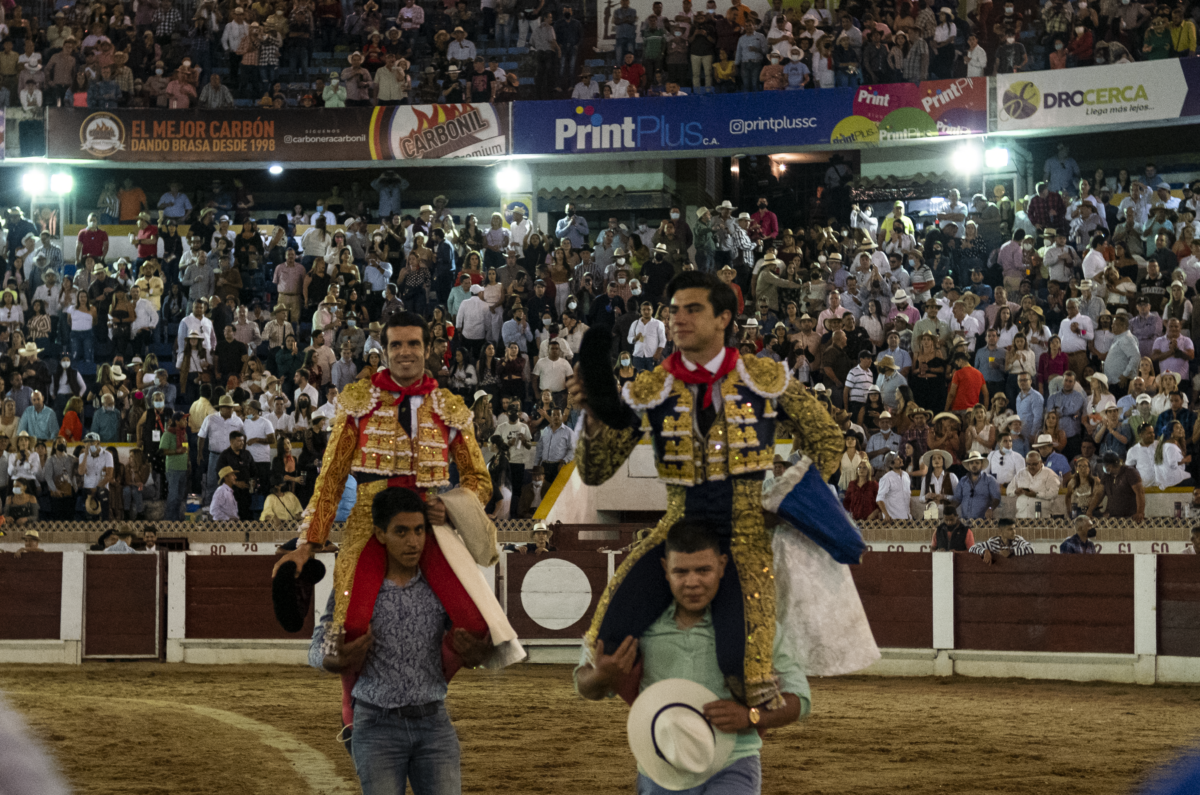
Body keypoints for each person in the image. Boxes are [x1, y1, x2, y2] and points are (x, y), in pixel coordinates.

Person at [568, 270, 847, 710]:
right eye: (674, 310)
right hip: (676, 533)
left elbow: (828, 440)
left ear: (724, 319)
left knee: (744, 672)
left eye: (693, 309)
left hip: (747, 536)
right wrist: (594, 417)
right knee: (606, 645)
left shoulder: (764, 377)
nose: (679, 319)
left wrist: (789, 499)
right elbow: (598, 471)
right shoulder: (652, 386)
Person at [274, 312, 521, 734]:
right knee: (350, 625)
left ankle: (424, 690)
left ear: (428, 350)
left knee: (475, 627)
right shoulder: (358, 403)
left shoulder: (449, 408)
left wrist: (453, 503)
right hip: (372, 520)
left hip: (429, 520)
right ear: (384, 351)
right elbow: (331, 477)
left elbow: (479, 481)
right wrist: (307, 542)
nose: (405, 352)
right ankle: (354, 720)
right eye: (396, 345)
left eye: (413, 344)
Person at [575, 519, 808, 793]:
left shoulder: (756, 627)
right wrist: (602, 676)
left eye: (703, 570)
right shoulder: (639, 624)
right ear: (665, 569)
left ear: (722, 565)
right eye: (681, 572)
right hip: (662, 762)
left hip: (733, 763)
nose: (692, 582)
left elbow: (800, 699)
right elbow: (584, 684)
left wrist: (752, 717)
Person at [309, 488, 495, 794]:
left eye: (419, 530)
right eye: (402, 532)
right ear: (380, 534)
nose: (413, 541)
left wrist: (478, 656)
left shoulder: (443, 586)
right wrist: (332, 659)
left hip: (434, 722)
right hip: (376, 725)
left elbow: (471, 648)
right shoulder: (355, 588)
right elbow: (319, 645)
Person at [1008, 450, 1061, 519]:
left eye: (1034, 464)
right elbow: (1009, 490)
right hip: (1021, 517)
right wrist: (1015, 491)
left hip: (1042, 519)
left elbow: (1053, 493)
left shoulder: (1050, 474)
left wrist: (1036, 494)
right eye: (1028, 464)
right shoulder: (1021, 473)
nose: (1031, 466)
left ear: (1041, 462)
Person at [951, 451, 1000, 520]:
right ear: (969, 465)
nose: (974, 465)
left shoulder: (990, 480)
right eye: (971, 463)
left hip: (983, 522)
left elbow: (996, 498)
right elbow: (956, 499)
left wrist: (990, 508)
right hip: (965, 522)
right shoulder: (963, 481)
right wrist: (949, 509)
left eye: (977, 463)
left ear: (981, 465)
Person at [76, 432, 114, 520]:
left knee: (103, 495)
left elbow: (109, 475)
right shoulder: (82, 456)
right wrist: (85, 455)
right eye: (86, 442)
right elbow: (81, 472)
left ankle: (105, 522)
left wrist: (97, 487)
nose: (88, 445)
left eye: (91, 442)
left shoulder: (107, 455)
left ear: (97, 442)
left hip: (102, 486)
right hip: (88, 487)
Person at [969, 518, 1034, 564]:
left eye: (1014, 529)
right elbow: (972, 548)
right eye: (1010, 529)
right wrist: (985, 551)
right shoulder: (993, 542)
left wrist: (1011, 551)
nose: (1014, 532)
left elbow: (1031, 548)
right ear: (1000, 532)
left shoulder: (1018, 540)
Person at [876, 451, 912, 522]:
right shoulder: (886, 478)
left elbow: (908, 496)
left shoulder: (906, 475)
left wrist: (910, 514)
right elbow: (879, 499)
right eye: (898, 459)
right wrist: (886, 515)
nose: (901, 460)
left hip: (907, 518)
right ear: (891, 465)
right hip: (893, 519)